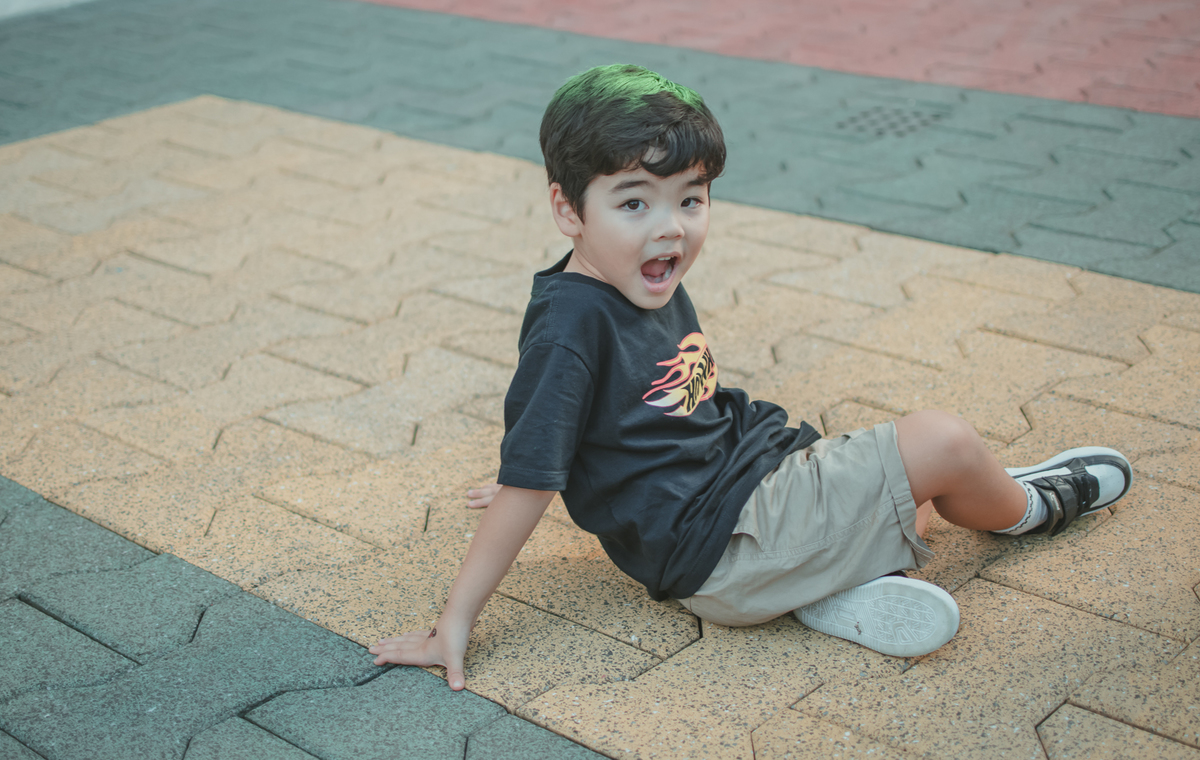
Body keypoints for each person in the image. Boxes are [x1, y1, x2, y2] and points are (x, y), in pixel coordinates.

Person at [369, 64, 1132, 689]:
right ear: (567, 210)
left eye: (690, 200)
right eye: (634, 202)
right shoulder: (574, 326)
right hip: (724, 546)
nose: (670, 226)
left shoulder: (639, 271)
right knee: (945, 444)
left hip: (741, 498)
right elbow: (536, 468)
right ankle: (1026, 506)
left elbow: (571, 437)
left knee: (913, 491)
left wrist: (535, 471)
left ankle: (826, 591)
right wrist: (458, 616)